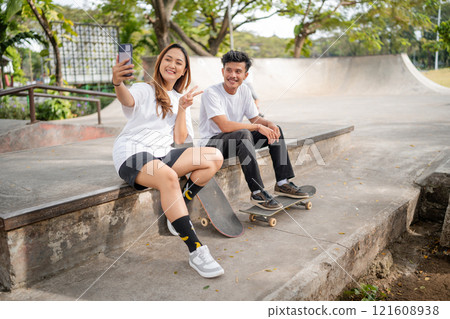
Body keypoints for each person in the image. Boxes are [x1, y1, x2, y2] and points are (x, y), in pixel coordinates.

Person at [112, 43, 224, 278]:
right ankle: (196, 249)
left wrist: (182, 109)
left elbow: (180, 138)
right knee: (169, 176)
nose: (172, 65)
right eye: (168, 59)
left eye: (178, 62)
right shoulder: (144, 88)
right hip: (133, 152)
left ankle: (181, 204)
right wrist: (117, 82)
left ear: (184, 71)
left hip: (162, 153)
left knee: (215, 156)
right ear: (160, 63)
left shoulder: (179, 97)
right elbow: (127, 100)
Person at [199, 50, 310, 210]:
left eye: (238, 71)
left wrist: (269, 124)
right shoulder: (211, 93)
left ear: (245, 75)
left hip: (236, 141)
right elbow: (224, 126)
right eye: (229, 70)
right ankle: (257, 192)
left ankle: (282, 182)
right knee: (244, 134)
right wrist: (258, 127)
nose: (233, 75)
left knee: (274, 129)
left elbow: (255, 118)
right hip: (212, 145)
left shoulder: (244, 91)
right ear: (222, 71)